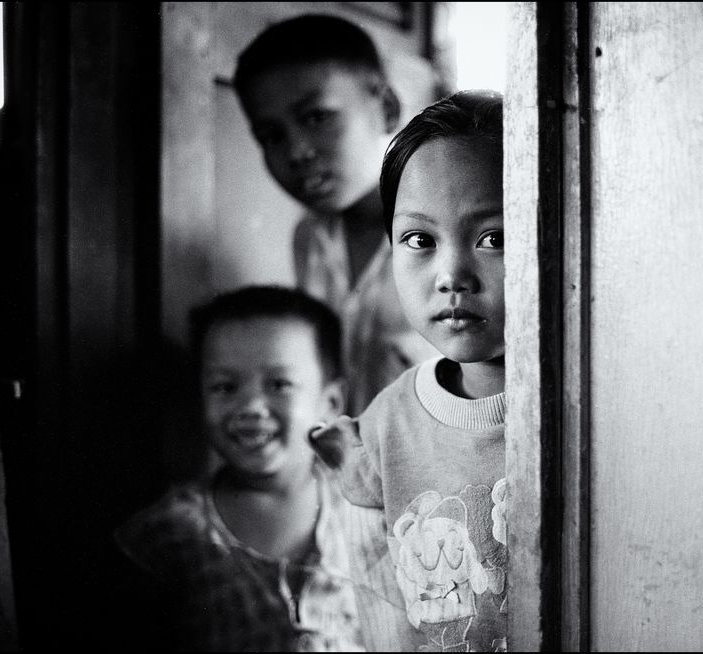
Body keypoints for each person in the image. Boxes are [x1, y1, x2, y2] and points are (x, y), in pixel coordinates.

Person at [313, 90, 507, 653]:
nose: (452, 276)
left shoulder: (595, 412)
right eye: (419, 240)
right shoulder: (385, 427)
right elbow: (378, 605)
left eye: (494, 238)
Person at [114, 285, 364, 652]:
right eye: (225, 387)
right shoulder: (170, 531)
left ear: (329, 402)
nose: (250, 406)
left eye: (279, 385)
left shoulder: (366, 511)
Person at [233, 14, 439, 415]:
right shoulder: (310, 236)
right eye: (271, 136)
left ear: (386, 108)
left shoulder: (447, 234)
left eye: (317, 118)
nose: (296, 152)